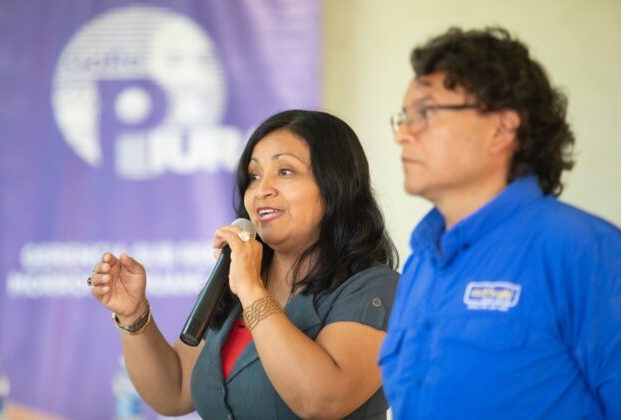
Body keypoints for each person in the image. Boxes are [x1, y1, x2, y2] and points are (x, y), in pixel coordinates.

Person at [90, 109, 399, 419]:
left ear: (336, 186)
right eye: (254, 176)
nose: (262, 190)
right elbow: (175, 391)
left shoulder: (376, 288)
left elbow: (322, 401)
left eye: (285, 171)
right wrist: (134, 315)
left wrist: (251, 291)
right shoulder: (237, 279)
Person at [379, 27, 621, 419]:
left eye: (426, 112)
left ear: (501, 129)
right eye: (404, 116)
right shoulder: (422, 262)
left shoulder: (584, 250)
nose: (403, 134)